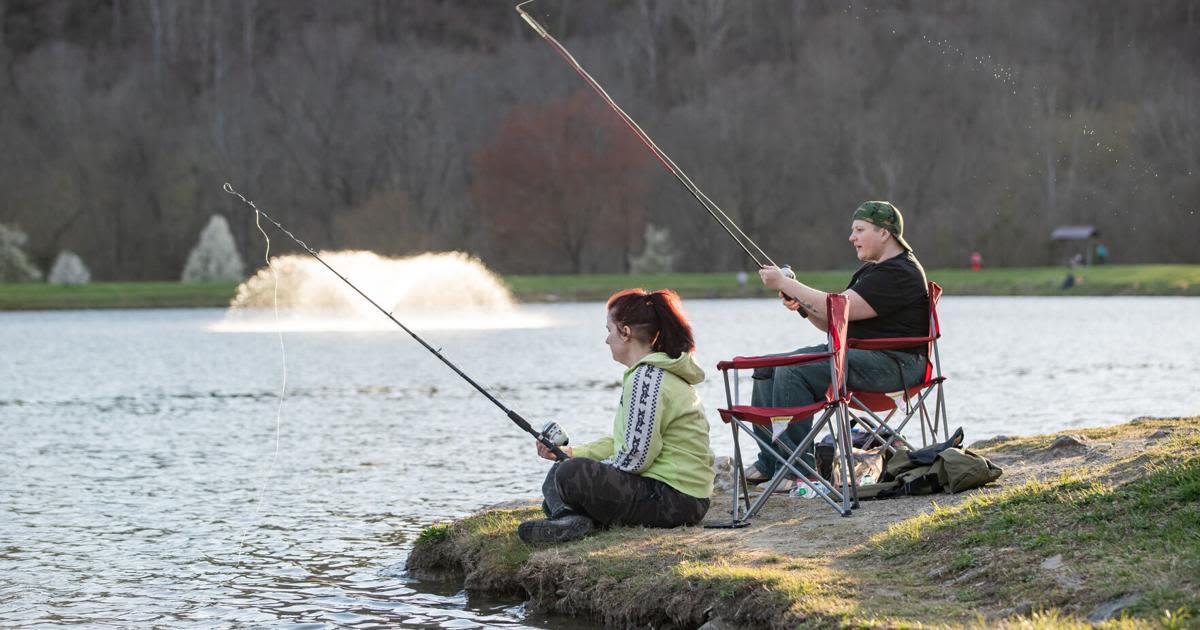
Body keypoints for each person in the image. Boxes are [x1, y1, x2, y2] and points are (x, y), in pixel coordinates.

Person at [744, 201, 930, 493]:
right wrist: (802, 306)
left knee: (794, 372)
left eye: (859, 230)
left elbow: (838, 310)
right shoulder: (872, 272)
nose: (851, 237)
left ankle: (797, 470)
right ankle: (772, 462)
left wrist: (788, 284)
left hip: (896, 366)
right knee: (768, 366)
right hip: (862, 358)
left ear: (885, 233)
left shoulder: (900, 272)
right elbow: (834, 322)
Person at [517, 289, 716, 544]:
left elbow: (635, 459)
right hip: (676, 495)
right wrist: (573, 453)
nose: (607, 340)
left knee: (568, 475)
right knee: (561, 470)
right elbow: (625, 441)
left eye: (609, 330)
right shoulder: (652, 374)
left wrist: (583, 468)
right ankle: (568, 519)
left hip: (677, 500)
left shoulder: (647, 378)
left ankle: (572, 518)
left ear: (625, 332)